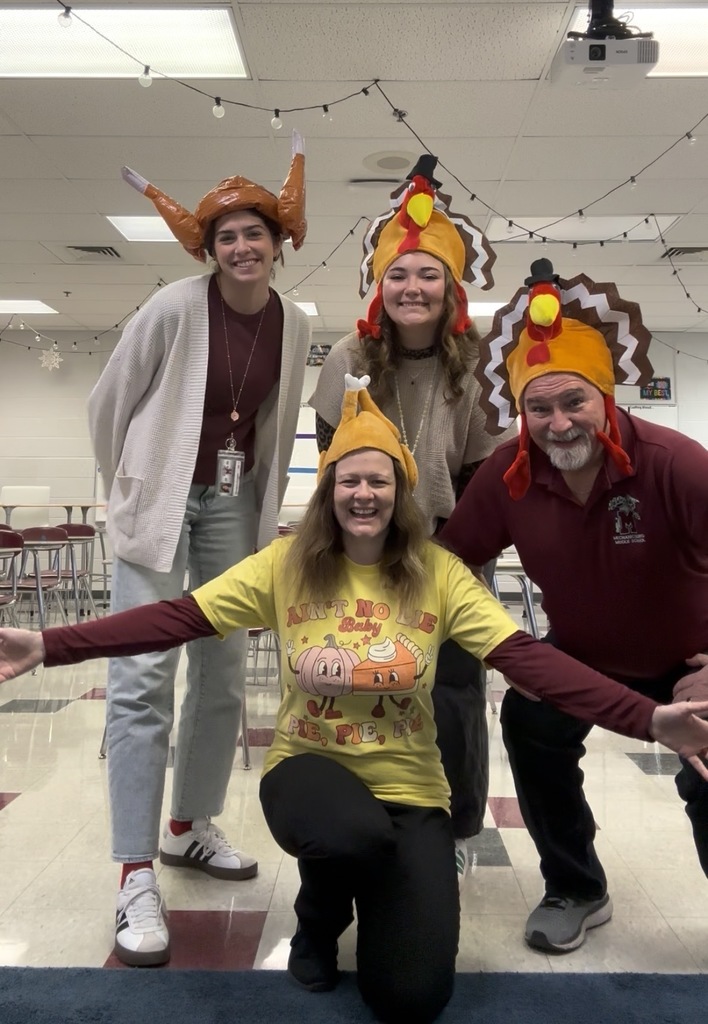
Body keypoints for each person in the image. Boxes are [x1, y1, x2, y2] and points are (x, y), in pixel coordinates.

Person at [3, 375, 708, 1023]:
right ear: (329, 491)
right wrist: (51, 644)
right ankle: (318, 915)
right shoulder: (286, 563)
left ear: (401, 492)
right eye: (349, 481)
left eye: (379, 480)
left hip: (411, 789)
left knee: (412, 998)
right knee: (351, 834)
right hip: (311, 769)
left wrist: (649, 718)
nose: (363, 494)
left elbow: (521, 656)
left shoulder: (436, 571)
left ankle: (376, 899)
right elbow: (177, 617)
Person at [87, 132, 311, 966]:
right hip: (158, 504)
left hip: (232, 504)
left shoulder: (295, 322)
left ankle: (188, 825)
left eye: (255, 232)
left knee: (222, 671)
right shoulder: (176, 307)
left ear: (277, 243)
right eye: (227, 237)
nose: (242, 247)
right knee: (142, 674)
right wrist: (135, 486)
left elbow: (277, 422)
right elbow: (110, 402)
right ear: (209, 250)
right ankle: (134, 869)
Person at [440, 256, 708, 955]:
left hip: (690, 661)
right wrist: (507, 646)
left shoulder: (677, 463)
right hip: (581, 655)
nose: (557, 423)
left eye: (574, 403)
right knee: (531, 725)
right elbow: (449, 564)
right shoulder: (507, 473)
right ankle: (575, 887)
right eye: (539, 407)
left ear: (608, 398)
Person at [310, 155, 517, 883]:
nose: (413, 287)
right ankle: (369, 816)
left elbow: (485, 472)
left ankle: (457, 829)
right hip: (364, 548)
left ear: (451, 288)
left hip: (449, 551)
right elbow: (332, 459)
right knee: (364, 683)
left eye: (428, 275)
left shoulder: (477, 362)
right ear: (381, 286)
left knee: (453, 694)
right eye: (399, 274)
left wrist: (454, 556)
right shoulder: (349, 356)